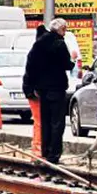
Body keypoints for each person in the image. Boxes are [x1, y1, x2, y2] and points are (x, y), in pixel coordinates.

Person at [23, 19, 76, 164]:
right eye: (64, 29)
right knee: (57, 123)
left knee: (45, 122)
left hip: (42, 90)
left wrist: (32, 87)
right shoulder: (59, 43)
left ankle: (45, 151)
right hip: (57, 88)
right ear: (59, 29)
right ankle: (54, 155)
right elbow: (66, 64)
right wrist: (73, 61)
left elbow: (31, 66)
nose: (65, 31)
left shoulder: (39, 44)